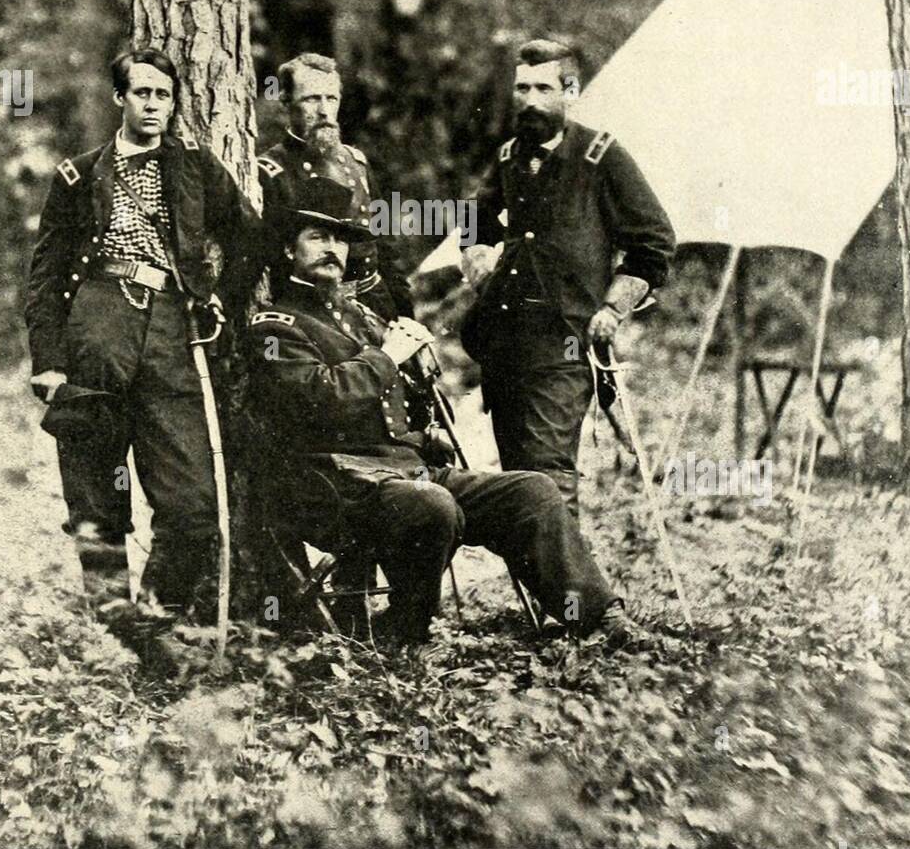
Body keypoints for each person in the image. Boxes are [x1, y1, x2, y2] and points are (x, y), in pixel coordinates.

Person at [248, 175, 646, 649]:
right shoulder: (275, 326)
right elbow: (321, 398)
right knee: (431, 506)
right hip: (330, 485)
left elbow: (397, 410)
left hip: (401, 472)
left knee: (531, 491)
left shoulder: (362, 319)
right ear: (289, 250)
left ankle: (599, 620)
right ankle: (405, 633)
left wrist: (417, 388)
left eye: (340, 238)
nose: (333, 249)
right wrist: (387, 356)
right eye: (318, 237)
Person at [25, 48, 260, 648]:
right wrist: (50, 362)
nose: (153, 105)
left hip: (174, 337)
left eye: (163, 95)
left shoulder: (196, 166)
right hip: (96, 329)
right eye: (141, 93)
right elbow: (46, 276)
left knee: (193, 504)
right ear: (118, 99)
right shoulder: (77, 177)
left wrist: (220, 306)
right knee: (95, 498)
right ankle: (112, 632)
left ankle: (154, 623)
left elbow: (247, 237)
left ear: (174, 101)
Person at [461, 39, 676, 523]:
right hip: (507, 342)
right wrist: (477, 259)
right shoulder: (510, 156)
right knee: (518, 480)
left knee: (548, 474)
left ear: (571, 90)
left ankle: (578, 599)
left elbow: (655, 241)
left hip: (567, 344)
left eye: (543, 88)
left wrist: (614, 308)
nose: (530, 101)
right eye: (521, 89)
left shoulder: (601, 157)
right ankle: (541, 596)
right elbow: (476, 219)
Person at [258, 52, 413, 322]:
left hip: (375, 304)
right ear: (285, 101)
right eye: (311, 99)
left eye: (331, 99)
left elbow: (385, 246)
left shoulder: (357, 162)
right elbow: (274, 263)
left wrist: (405, 314)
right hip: (314, 312)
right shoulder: (271, 171)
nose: (324, 111)